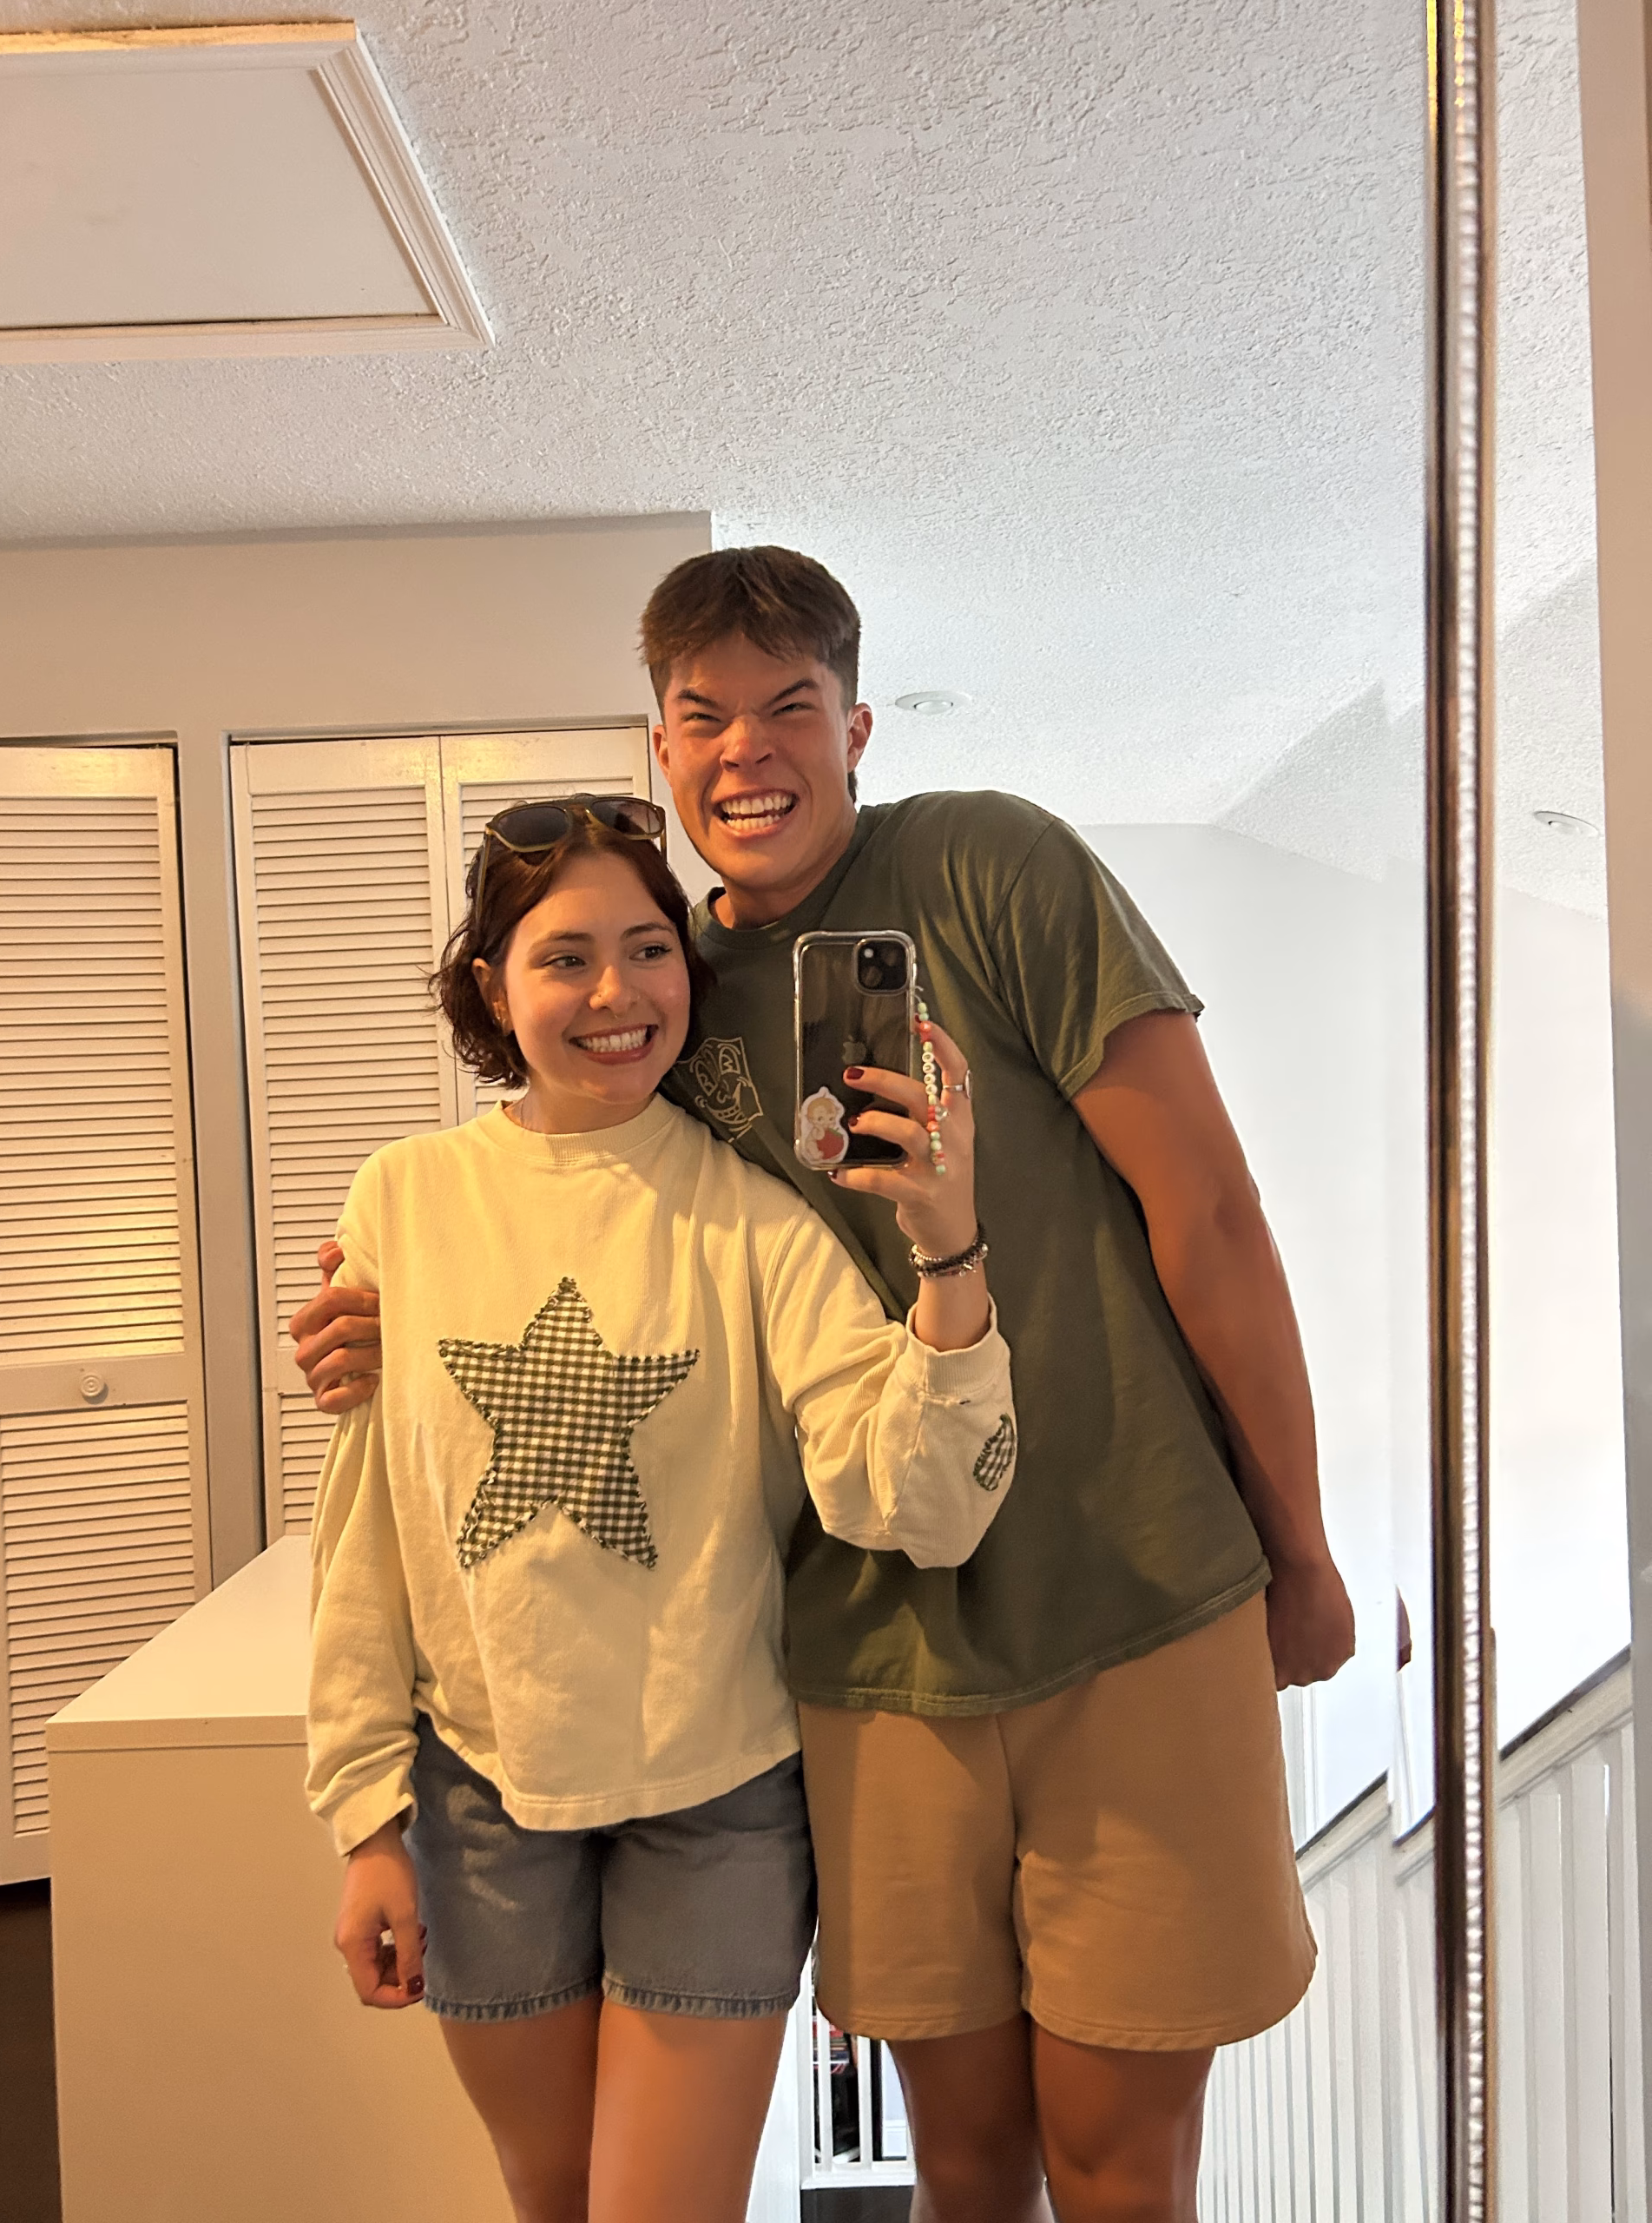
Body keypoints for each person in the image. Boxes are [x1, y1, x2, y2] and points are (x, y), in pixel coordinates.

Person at [293, 547, 1357, 2223]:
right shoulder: (659, 996)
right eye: (704, 714)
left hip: (1136, 1595)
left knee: (1121, 2161)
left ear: (857, 725)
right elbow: (568, 1224)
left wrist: (1302, 1546)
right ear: (660, 745)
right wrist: (385, 1324)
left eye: (790, 705)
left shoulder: (993, 864)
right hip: (867, 1654)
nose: (749, 750)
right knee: (967, 2164)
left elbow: (1209, 1216)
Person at [304, 795, 1016, 2223]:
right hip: (477, 1794)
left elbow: (920, 1508)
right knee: (551, 2199)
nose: (616, 993)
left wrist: (948, 1252)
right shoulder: (406, 1199)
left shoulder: (754, 1217)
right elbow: (369, 1531)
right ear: (491, 987)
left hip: (718, 1800)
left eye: (647, 948)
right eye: (564, 958)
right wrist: (365, 1819)